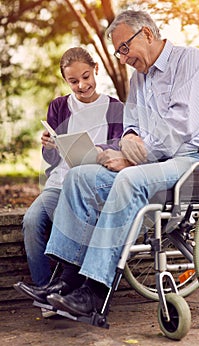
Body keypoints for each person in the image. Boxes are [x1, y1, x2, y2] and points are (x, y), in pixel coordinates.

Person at [14, 10, 199, 317]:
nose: (121, 57)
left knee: (128, 180)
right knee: (79, 176)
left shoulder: (191, 62)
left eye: (123, 48)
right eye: (118, 52)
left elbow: (182, 126)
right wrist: (129, 143)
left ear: (146, 33)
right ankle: (66, 281)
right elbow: (131, 125)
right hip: (160, 163)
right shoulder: (139, 79)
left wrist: (132, 156)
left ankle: (94, 291)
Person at [21, 47, 124, 289]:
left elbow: (117, 149)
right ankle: (44, 290)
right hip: (58, 183)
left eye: (86, 77)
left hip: (90, 187)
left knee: (67, 222)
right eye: (73, 81)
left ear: (95, 69)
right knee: (31, 221)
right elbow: (50, 160)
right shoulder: (58, 107)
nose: (81, 85)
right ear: (66, 80)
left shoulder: (115, 107)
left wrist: (94, 149)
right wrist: (48, 146)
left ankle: (70, 288)